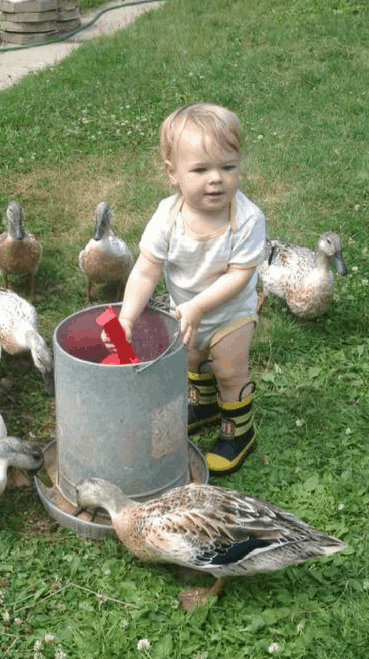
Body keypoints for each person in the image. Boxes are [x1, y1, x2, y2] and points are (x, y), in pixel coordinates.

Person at [107, 103, 267, 476]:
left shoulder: (246, 219)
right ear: (172, 174)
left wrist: (197, 307)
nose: (217, 180)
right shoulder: (167, 217)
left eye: (228, 167)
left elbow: (239, 276)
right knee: (191, 361)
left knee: (229, 371)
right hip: (186, 312)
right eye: (201, 170)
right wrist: (127, 315)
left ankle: (237, 431)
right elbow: (146, 269)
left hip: (230, 315)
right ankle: (205, 406)